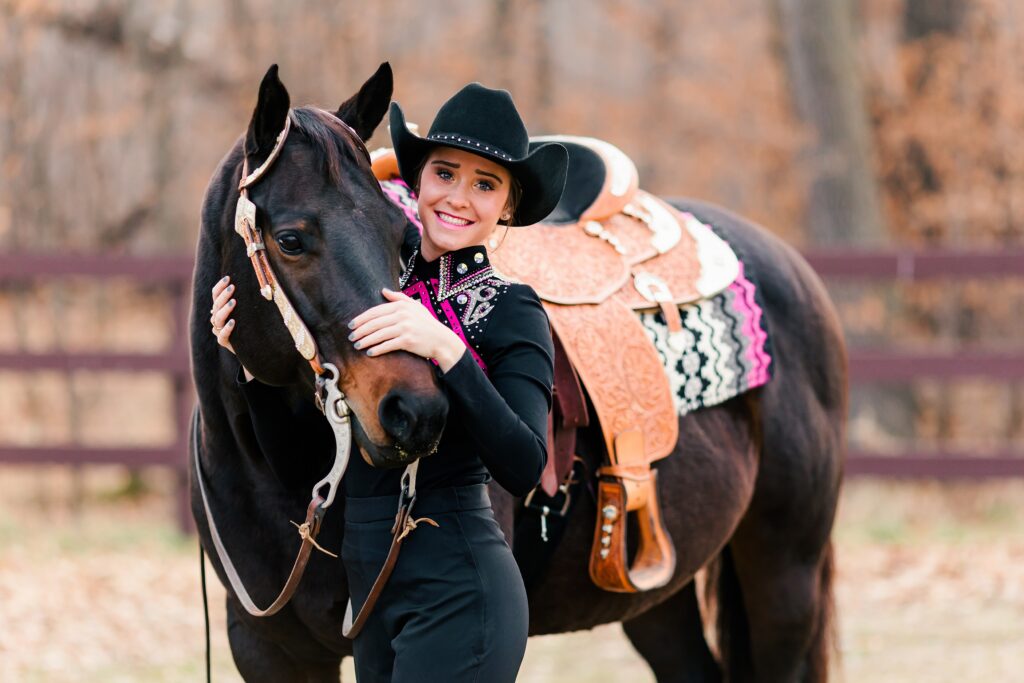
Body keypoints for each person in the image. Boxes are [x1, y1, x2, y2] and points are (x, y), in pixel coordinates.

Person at [209, 83, 568, 682]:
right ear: (417, 181)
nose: (458, 197)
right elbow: (303, 470)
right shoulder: (369, 290)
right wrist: (250, 364)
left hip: (460, 594)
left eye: (485, 184)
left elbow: (526, 464)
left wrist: (446, 350)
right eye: (445, 173)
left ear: (507, 206)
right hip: (373, 600)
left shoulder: (512, 309)